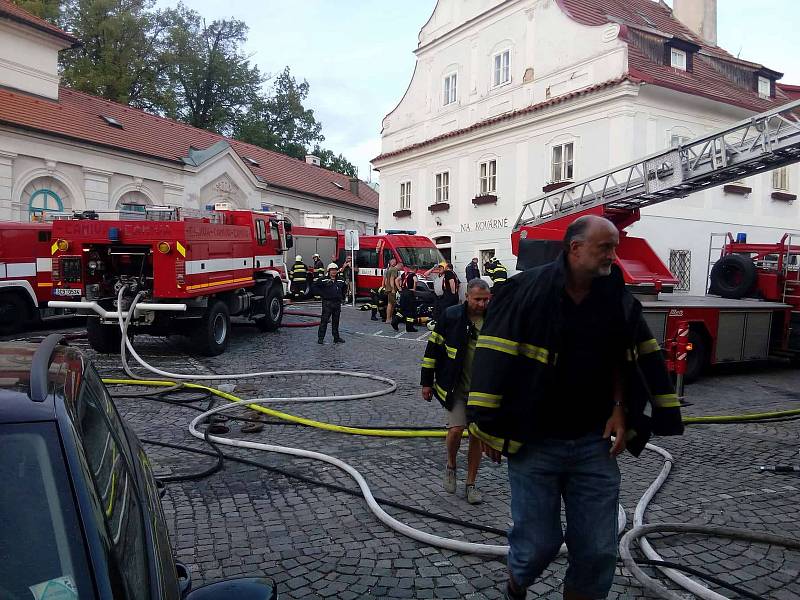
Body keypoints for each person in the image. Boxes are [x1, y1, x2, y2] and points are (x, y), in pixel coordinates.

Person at [466, 215, 684, 600]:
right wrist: (486, 426)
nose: (613, 256)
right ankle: (516, 585)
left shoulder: (615, 299)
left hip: (593, 443)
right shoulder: (524, 292)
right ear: (575, 248)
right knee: (537, 545)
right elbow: (491, 361)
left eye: (615, 247)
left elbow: (625, 357)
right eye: (606, 248)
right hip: (533, 442)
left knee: (598, 551)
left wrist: (620, 406)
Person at [421, 278, 491, 505]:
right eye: (478, 299)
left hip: (482, 391)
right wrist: (426, 382)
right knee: (456, 430)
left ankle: (471, 484)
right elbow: (433, 349)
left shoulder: (494, 319)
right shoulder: (451, 317)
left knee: (476, 437)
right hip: (455, 387)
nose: (482, 304)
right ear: (467, 297)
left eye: (486, 299)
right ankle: (451, 464)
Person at [317, 263, 347, 344]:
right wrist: (323, 294)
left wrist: (343, 297)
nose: (334, 272)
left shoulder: (341, 279)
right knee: (324, 321)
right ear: (329, 271)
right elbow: (315, 287)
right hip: (327, 303)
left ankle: (336, 338)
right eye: (332, 270)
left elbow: (344, 288)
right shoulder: (323, 280)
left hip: (337, 303)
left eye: (335, 270)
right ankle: (321, 338)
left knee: (336, 321)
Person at [383, 258, 400, 323]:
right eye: (393, 261)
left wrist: (385, 287)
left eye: (395, 261)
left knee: (391, 303)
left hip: (388, 288)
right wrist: (393, 288)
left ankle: (389, 318)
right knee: (390, 304)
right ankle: (388, 318)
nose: (394, 262)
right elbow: (391, 279)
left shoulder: (388, 269)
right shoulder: (393, 270)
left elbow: (386, 280)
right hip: (391, 289)